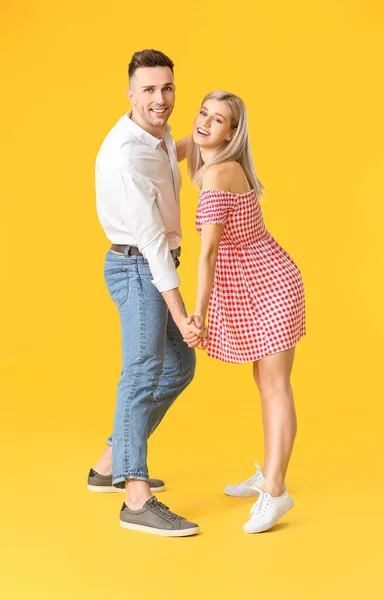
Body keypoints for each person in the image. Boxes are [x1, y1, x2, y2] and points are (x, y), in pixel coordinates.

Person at [89, 49, 207, 537]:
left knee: (179, 367)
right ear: (130, 94)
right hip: (140, 267)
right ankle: (135, 498)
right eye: (150, 90)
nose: (161, 99)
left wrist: (203, 141)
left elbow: (165, 157)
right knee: (141, 375)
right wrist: (182, 317)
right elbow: (155, 244)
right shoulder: (125, 157)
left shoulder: (153, 134)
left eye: (168, 88)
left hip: (150, 264)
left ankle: (109, 464)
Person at [186, 91, 306, 533]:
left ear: (232, 132)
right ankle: (270, 471)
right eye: (202, 113)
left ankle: (276, 490)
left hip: (271, 285)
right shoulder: (216, 161)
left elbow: (209, 253)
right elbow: (182, 143)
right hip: (257, 285)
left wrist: (197, 316)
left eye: (217, 120)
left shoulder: (219, 174)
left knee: (275, 384)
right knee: (264, 380)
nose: (204, 124)